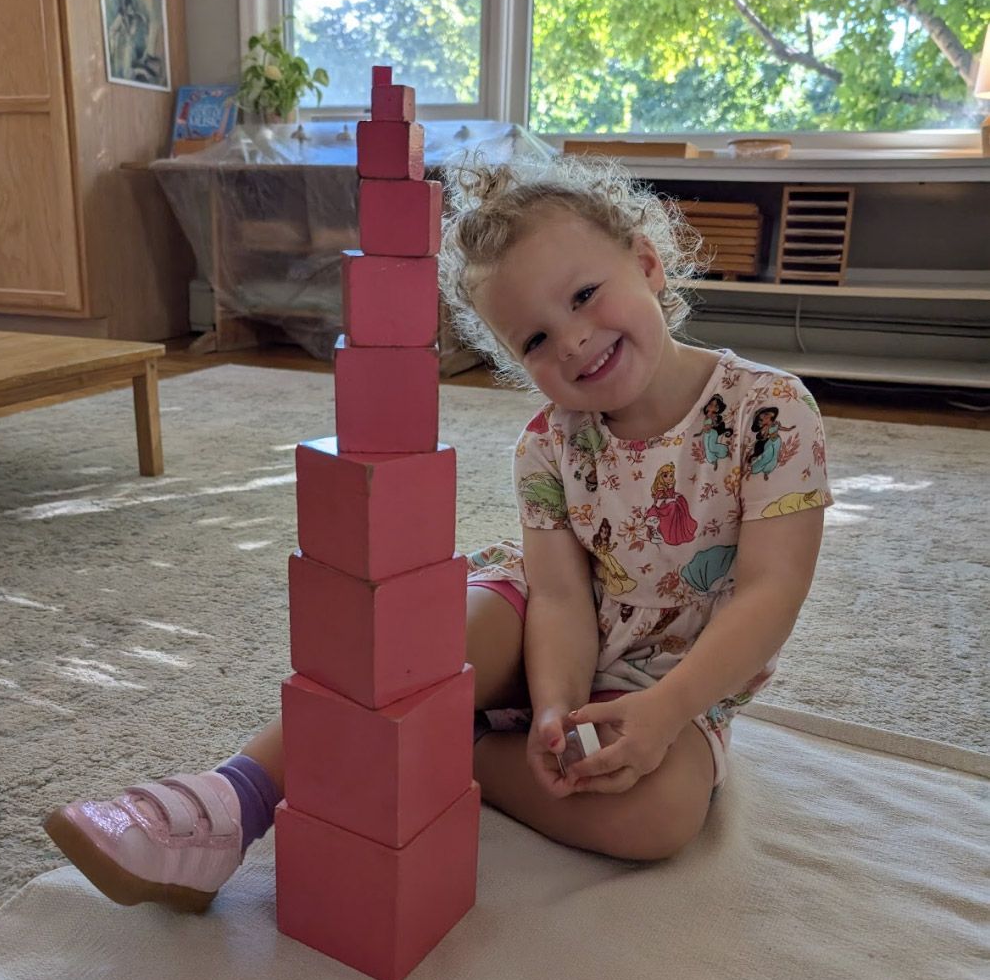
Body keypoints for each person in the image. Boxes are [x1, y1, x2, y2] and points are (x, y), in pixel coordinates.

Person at [43, 155, 832, 914]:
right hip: (539, 633)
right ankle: (230, 799)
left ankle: (435, 748)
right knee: (433, 637)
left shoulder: (771, 412)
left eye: (586, 295)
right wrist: (553, 704)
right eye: (532, 340)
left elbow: (769, 594)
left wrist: (663, 712)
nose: (572, 340)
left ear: (649, 264)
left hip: (672, 685)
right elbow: (557, 595)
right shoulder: (548, 444)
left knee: (660, 819)